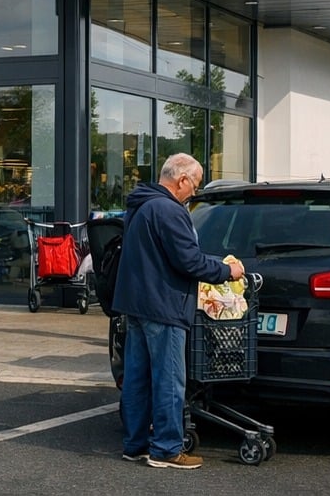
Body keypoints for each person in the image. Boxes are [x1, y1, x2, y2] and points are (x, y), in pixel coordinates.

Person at [114, 153, 244, 470]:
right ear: (181, 179)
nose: (194, 193)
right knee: (169, 380)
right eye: (194, 185)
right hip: (165, 304)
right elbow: (188, 260)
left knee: (137, 379)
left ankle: (135, 445)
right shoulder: (169, 210)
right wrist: (228, 272)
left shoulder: (141, 205)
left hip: (137, 304)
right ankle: (167, 449)